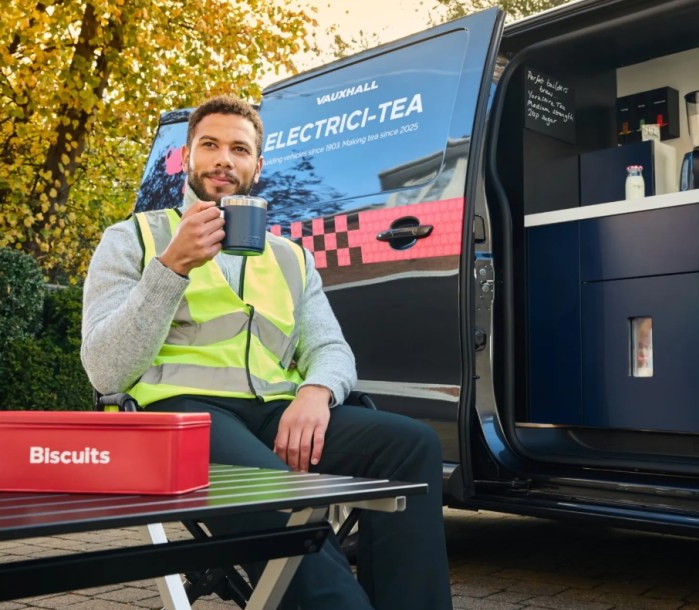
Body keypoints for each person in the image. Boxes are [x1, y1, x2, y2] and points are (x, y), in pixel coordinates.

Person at [80, 94, 453, 610]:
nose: (223, 160)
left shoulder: (291, 257)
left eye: (239, 149)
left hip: (274, 412)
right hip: (181, 417)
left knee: (412, 445)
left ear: (257, 165)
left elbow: (329, 346)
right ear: (187, 157)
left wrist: (317, 393)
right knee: (273, 490)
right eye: (209, 145)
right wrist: (171, 268)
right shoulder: (134, 238)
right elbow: (105, 367)